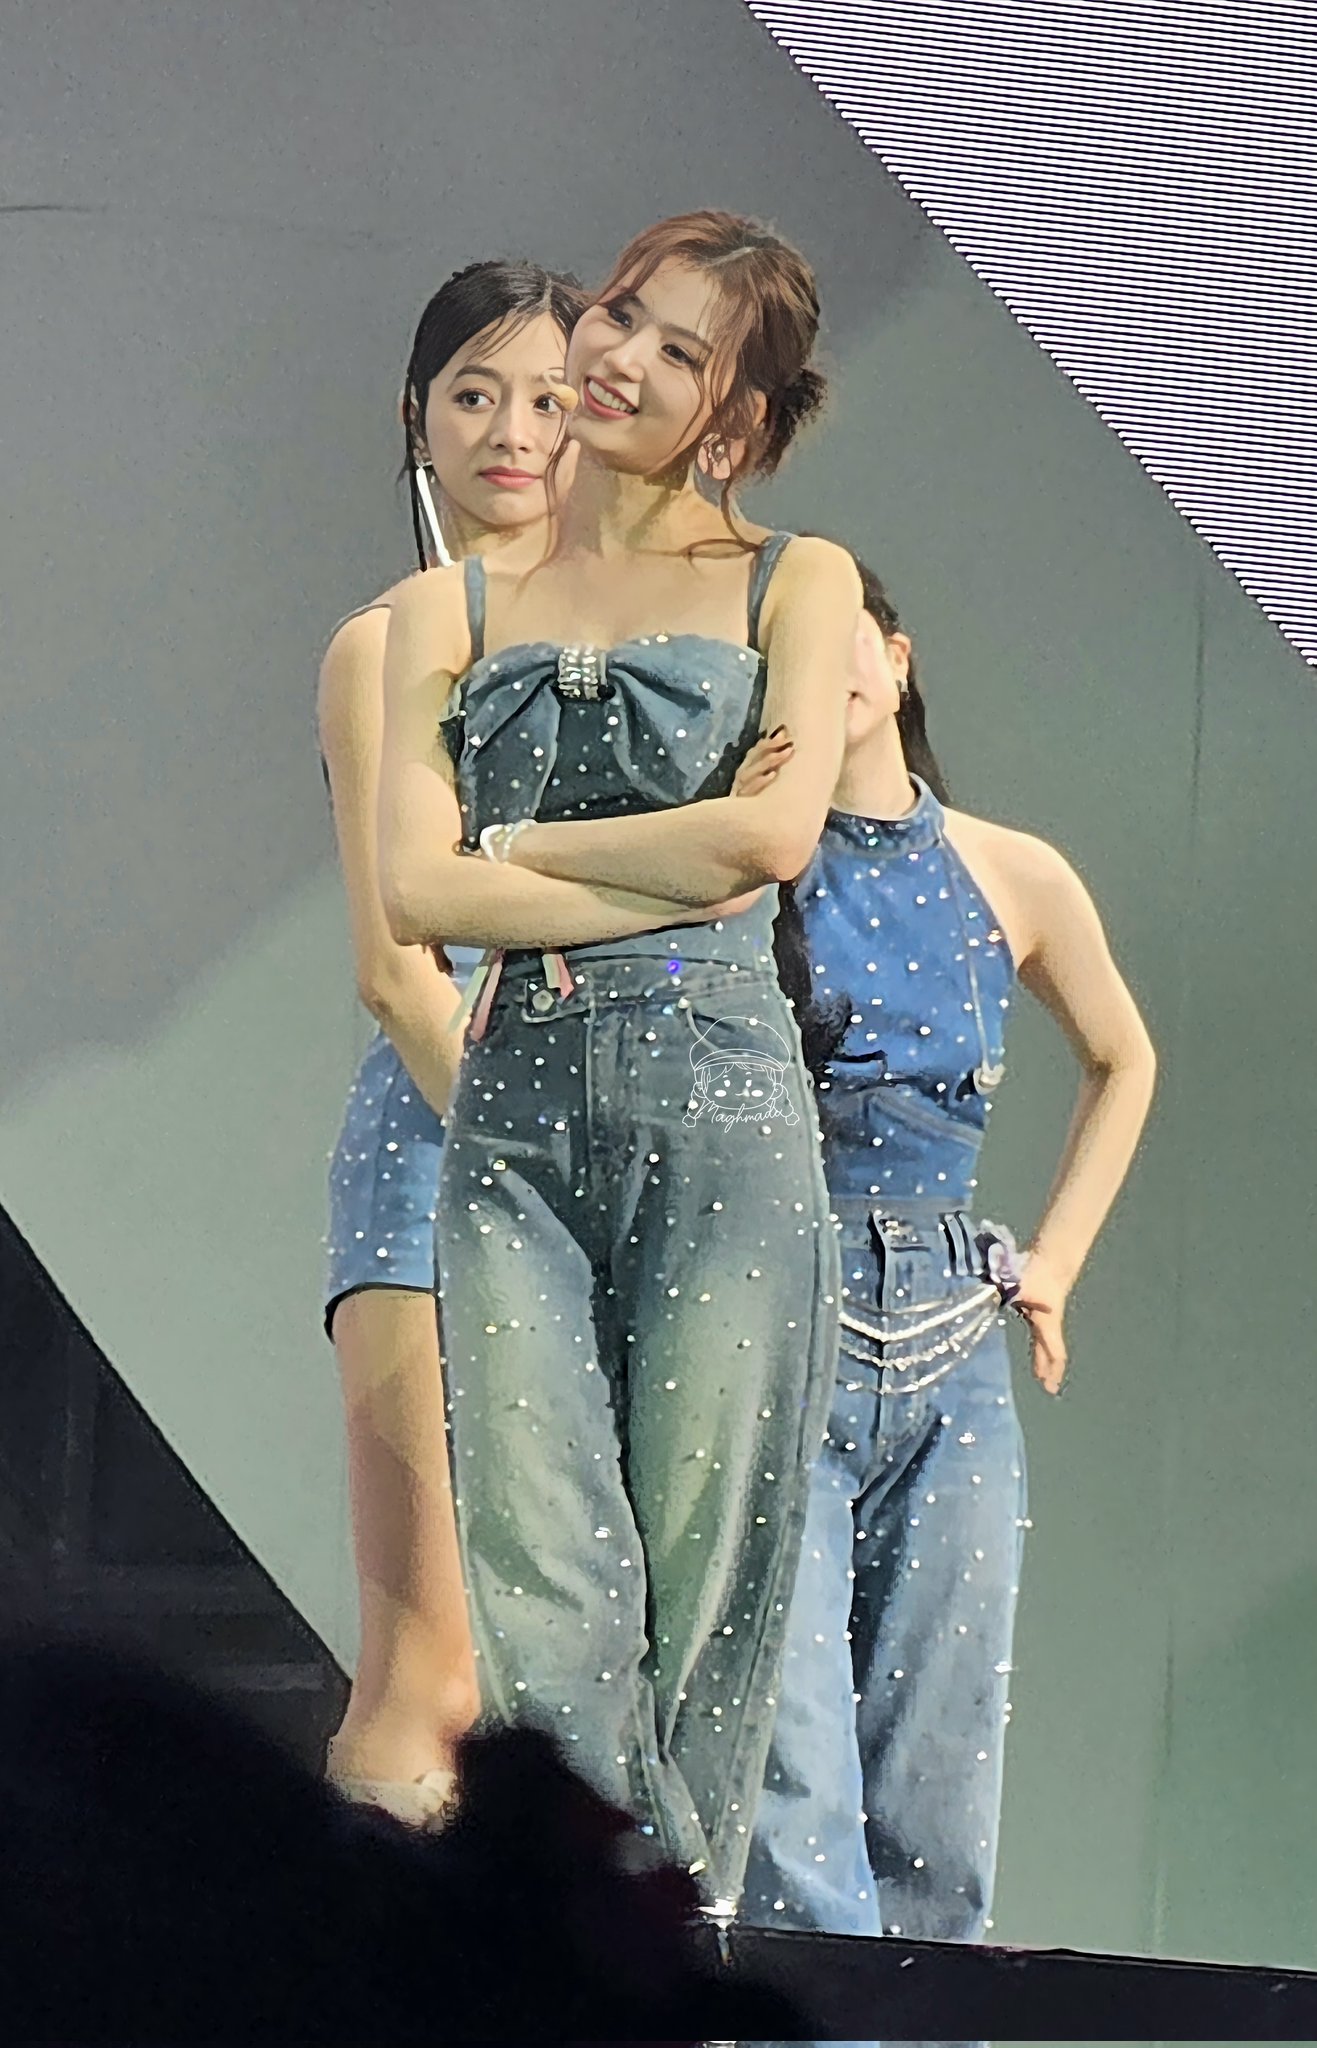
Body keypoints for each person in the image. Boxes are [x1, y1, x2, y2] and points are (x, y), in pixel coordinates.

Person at [377, 210, 862, 1911]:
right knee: (537, 1570)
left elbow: (778, 842)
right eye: (618, 313)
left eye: (676, 348)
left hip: (722, 1103)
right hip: (512, 1118)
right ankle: (590, 1946)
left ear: (739, 413)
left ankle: (676, 1949)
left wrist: (519, 850)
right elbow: (418, 891)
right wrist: (677, 853)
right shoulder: (451, 602)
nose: (617, 357)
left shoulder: (793, 580)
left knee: (708, 1571)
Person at [740, 555, 1157, 1940]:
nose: (830, 667)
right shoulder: (742, 869)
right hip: (773, 1327)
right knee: (791, 1787)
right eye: (791, 650)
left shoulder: (1007, 869)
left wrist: (1056, 1263)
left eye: (847, 636)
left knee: (938, 1777)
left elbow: (1122, 1057)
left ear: (898, 656)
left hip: (949, 1347)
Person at [318, 258, 584, 1822]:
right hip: (443, 1159)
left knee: (569, 1683)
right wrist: (541, 1178)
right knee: (433, 1675)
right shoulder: (387, 646)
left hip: (614, 1165)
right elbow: (393, 969)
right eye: (476, 394)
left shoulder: (646, 655)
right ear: (416, 417)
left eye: (550, 398)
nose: (514, 431)